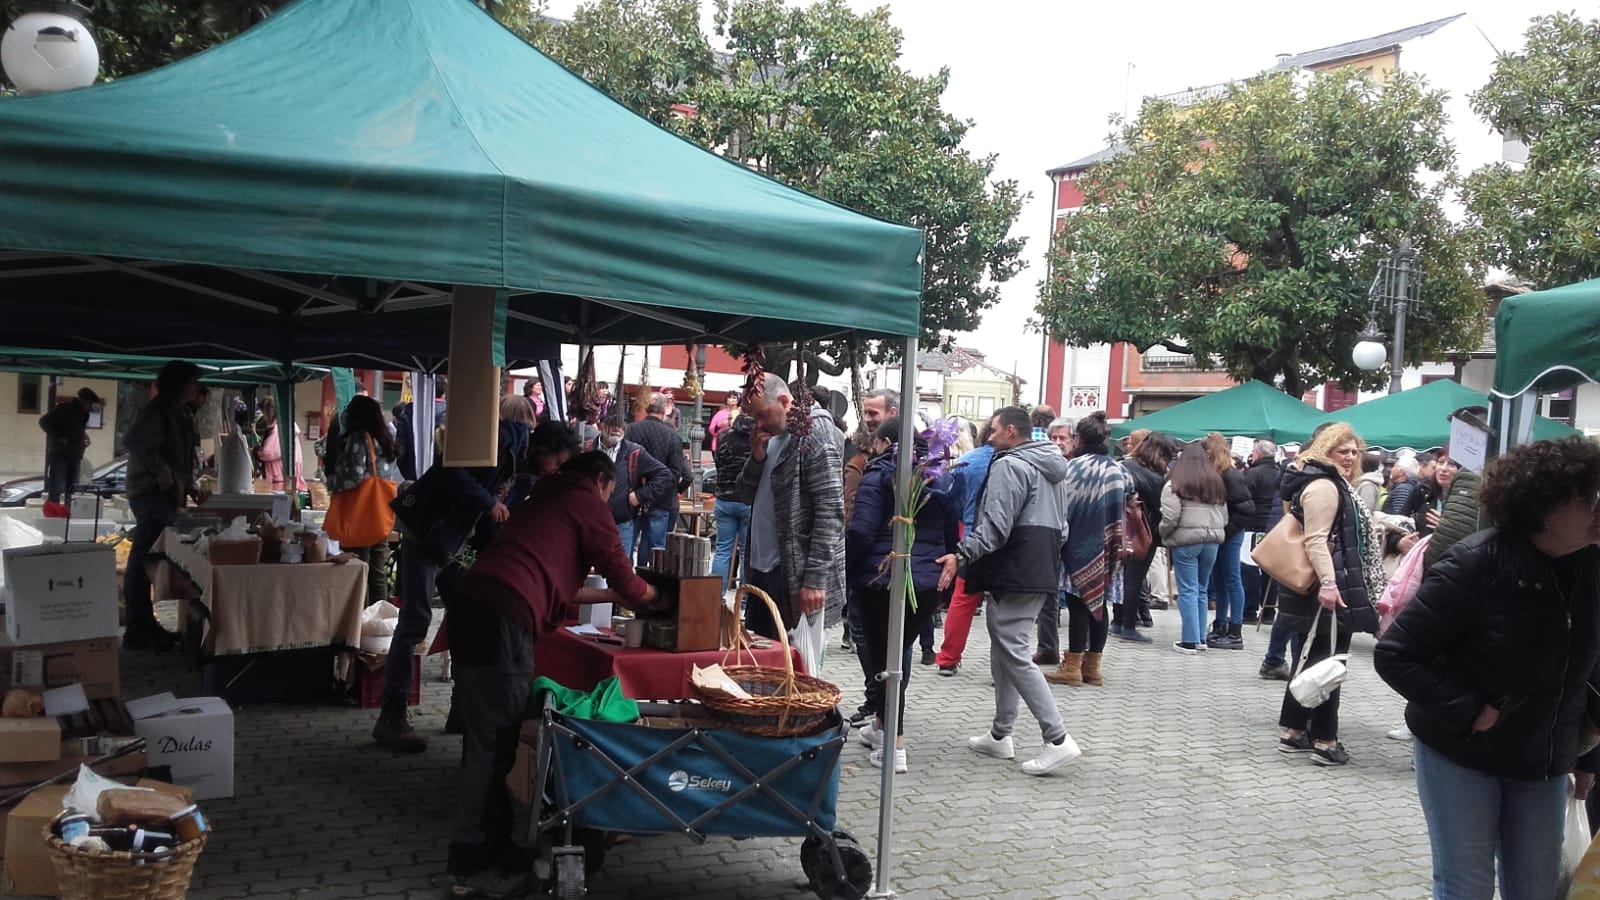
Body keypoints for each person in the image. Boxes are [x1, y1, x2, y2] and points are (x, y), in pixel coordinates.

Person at [1375, 436, 1600, 899]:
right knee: (1467, 887)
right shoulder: (1475, 563)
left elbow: (1591, 668)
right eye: (1588, 499)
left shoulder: (1591, 566)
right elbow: (1395, 653)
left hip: (1544, 758)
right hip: (1461, 753)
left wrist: (1589, 755)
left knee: (1535, 888)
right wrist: (1467, 708)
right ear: (1545, 507)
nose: (1599, 510)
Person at [442, 452, 659, 897]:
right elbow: (625, 576)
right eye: (609, 491)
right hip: (501, 615)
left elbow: (553, 577)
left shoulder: (547, 496)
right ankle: (470, 859)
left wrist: (621, 593)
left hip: (476, 605)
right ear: (600, 481)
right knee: (493, 742)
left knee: (486, 736)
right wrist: (659, 599)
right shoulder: (587, 503)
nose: (607, 499)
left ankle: (494, 845)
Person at [372, 407, 528, 754]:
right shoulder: (500, 441)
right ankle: (392, 715)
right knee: (415, 623)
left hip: (450, 540)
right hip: (430, 535)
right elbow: (453, 474)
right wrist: (488, 503)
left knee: (462, 619)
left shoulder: (512, 452)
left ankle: (461, 707)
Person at [936, 406, 1081, 777]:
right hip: (1039, 563)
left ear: (1012, 431)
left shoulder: (1009, 465)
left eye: (994, 430)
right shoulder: (1051, 466)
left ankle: (1058, 738)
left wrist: (961, 554)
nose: (988, 436)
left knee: (1012, 649)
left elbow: (996, 525)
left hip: (1014, 564)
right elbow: (1062, 527)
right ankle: (1001, 733)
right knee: (1006, 645)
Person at [847, 418, 958, 773]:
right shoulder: (940, 475)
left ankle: (895, 745)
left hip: (882, 581)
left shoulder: (881, 475)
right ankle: (881, 728)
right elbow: (953, 530)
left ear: (884, 443)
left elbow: (862, 533)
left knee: (885, 666)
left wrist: (844, 570)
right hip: (926, 584)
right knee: (895, 656)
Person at [1274, 423, 1382, 767]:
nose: (1350, 457)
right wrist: (1330, 583)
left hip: (1314, 586)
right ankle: (1325, 740)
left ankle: (1294, 731)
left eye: (1354, 451)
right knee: (1329, 664)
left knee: (1311, 659)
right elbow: (1316, 539)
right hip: (1323, 586)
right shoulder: (1324, 485)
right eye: (1342, 451)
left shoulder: (1323, 481)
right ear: (1325, 451)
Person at [735, 374, 846, 653]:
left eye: (762, 414)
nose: (758, 423)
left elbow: (831, 512)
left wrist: (814, 579)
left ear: (785, 402)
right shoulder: (769, 435)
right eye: (752, 416)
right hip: (762, 568)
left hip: (791, 573)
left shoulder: (816, 434)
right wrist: (756, 457)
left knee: (790, 665)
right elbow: (744, 495)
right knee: (762, 659)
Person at [121, 361, 205, 652]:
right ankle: (137, 628)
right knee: (144, 558)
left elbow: (177, 454)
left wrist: (189, 485)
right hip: (149, 491)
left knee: (151, 557)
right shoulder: (157, 410)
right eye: (193, 381)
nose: (197, 387)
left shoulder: (178, 412)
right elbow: (134, 441)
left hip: (165, 494)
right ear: (179, 383)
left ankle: (145, 624)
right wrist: (160, 469)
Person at [1045, 413, 1127, 687]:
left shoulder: (1073, 468)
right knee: (1100, 605)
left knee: (1079, 605)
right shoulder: (1116, 469)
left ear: (1079, 439)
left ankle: (1073, 667)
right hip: (1108, 547)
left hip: (1078, 546)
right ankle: (1094, 667)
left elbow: (1063, 507)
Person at [323, 395, 401, 608]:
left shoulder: (359, 438)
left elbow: (354, 476)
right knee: (377, 572)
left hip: (359, 514)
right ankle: (380, 616)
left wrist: (332, 482)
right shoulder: (384, 439)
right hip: (379, 513)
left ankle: (359, 618)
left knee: (358, 567)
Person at [934, 420, 997, 676]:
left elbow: (953, 504)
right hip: (1005, 539)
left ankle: (948, 658)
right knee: (1003, 606)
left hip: (971, 533)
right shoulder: (1015, 462)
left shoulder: (967, 462)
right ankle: (1002, 668)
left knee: (962, 600)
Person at [1159, 446, 1227, 654]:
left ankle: (1189, 641)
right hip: (1212, 540)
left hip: (1187, 540)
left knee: (1187, 589)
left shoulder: (1175, 484)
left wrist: (1163, 533)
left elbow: (1170, 516)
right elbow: (1224, 516)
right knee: (1202, 588)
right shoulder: (1216, 483)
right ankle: (1200, 639)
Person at [1114, 432, 1178, 643]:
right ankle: (1128, 626)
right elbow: (1159, 510)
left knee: (1120, 576)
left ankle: (1117, 620)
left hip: (1118, 528)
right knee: (1135, 579)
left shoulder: (1124, 466)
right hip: (1143, 531)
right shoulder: (1156, 478)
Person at [597, 415, 675, 562]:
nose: (616, 429)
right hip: (589, 524)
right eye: (612, 424)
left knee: (619, 572)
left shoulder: (634, 452)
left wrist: (640, 496)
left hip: (621, 524)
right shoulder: (588, 448)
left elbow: (664, 474)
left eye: (620, 426)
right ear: (602, 425)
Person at [623, 394, 691, 562]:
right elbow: (676, 473)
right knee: (655, 551)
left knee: (626, 547)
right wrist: (676, 491)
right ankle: (648, 584)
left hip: (632, 497)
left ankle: (627, 584)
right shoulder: (673, 436)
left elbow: (622, 464)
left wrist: (639, 493)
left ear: (647, 408)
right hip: (662, 499)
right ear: (664, 409)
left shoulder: (631, 430)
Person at [1204, 432, 1255, 650]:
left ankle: (1235, 629)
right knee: (1221, 581)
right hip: (1225, 532)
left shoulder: (1230, 475)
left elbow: (1246, 509)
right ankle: (1222, 624)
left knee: (1232, 580)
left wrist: (1226, 531)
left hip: (1230, 533)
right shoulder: (1224, 473)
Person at [1034, 417, 1078, 667]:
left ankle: (1078, 655)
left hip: (1075, 538)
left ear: (1074, 441)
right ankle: (1048, 647)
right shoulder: (1043, 466)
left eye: (1063, 438)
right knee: (1049, 596)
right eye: (1054, 438)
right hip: (1052, 535)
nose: (1058, 443)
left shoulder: (1077, 466)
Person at [38, 386, 102, 514]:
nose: (90, 408)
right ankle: (53, 513)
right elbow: (44, 422)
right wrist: (58, 437)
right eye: (90, 404)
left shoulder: (84, 414)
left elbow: (77, 428)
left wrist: (84, 436)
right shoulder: (64, 409)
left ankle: (68, 512)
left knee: (72, 489)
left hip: (76, 455)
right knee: (56, 488)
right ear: (84, 401)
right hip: (60, 454)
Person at [711, 412, 755, 593]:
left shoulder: (724, 437)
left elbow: (718, 464)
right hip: (748, 502)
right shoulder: (757, 441)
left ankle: (717, 597)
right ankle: (744, 601)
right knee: (746, 554)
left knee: (722, 551)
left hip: (724, 500)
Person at [1240, 439, 1280, 624]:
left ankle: (1249, 610)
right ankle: (1269, 611)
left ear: (1258, 453)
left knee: (1250, 569)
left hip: (1254, 526)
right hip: (1275, 527)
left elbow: (1243, 499)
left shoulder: (1253, 474)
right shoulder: (1281, 473)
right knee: (1270, 570)